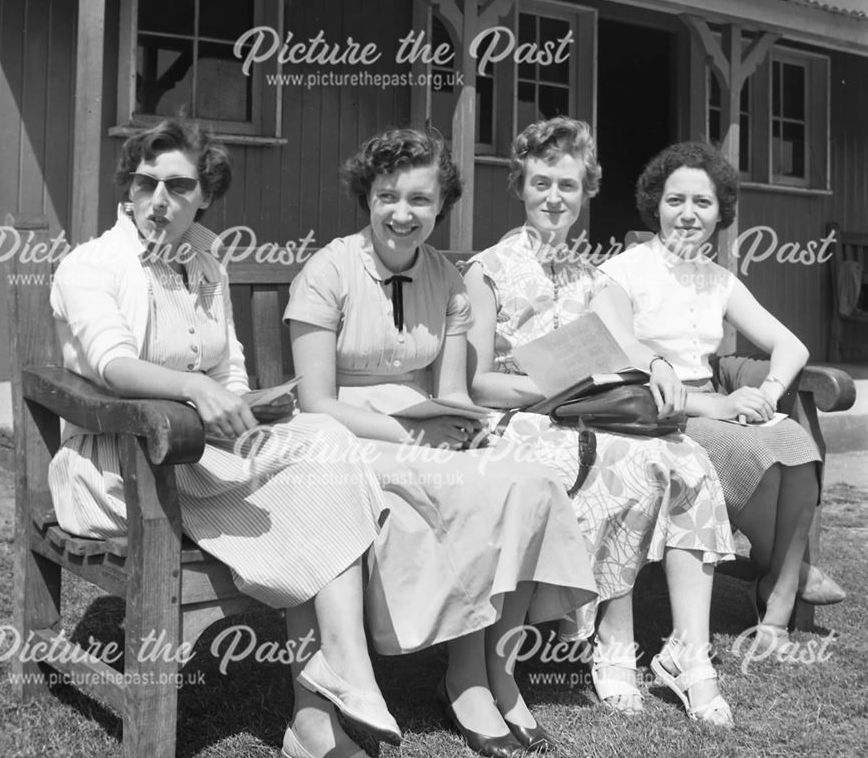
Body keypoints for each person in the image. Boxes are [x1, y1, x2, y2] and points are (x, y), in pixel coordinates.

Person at [48, 118, 399, 758]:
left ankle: (326, 699)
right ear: (127, 189)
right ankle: (324, 704)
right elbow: (112, 365)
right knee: (313, 496)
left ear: (204, 195)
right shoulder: (91, 265)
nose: (160, 199)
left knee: (326, 437)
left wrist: (246, 403)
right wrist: (193, 392)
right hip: (123, 464)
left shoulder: (205, 262)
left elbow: (227, 370)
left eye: (178, 186)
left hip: (200, 454)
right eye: (146, 183)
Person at [285, 127, 598, 758]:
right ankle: (428, 679)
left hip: (421, 426)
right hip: (339, 433)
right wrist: (413, 430)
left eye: (420, 201)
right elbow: (316, 401)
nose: (403, 214)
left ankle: (479, 676)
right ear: (366, 198)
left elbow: (452, 392)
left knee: (521, 481)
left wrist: (467, 428)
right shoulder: (329, 269)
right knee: (447, 496)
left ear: (440, 206)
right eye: (387, 197)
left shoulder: (449, 281)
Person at [462, 117, 735, 727]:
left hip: (588, 416)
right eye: (541, 183)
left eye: (568, 185)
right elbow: (477, 381)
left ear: (586, 192)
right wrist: (551, 387)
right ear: (521, 186)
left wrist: (659, 362)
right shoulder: (487, 268)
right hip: (521, 420)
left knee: (687, 460)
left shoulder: (592, 275)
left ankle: (688, 655)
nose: (554, 198)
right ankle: (614, 643)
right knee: (626, 463)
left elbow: (628, 346)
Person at [596, 140, 845, 655]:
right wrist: (717, 407)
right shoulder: (623, 271)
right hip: (658, 413)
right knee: (764, 457)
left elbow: (790, 345)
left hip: (718, 405)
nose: (688, 214)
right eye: (675, 200)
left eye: (702, 203)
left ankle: (775, 596)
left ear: (720, 213)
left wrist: (770, 393)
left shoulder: (719, 281)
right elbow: (620, 358)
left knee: (794, 443)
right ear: (655, 204)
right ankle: (788, 577)